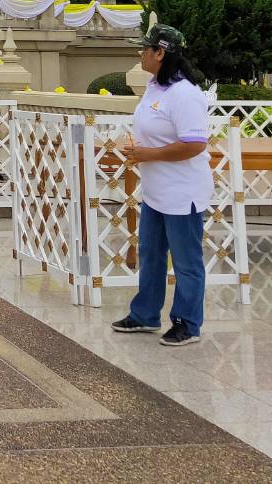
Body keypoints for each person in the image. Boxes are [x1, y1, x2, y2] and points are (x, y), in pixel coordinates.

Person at [110, 25, 213, 347]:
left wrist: (148, 154)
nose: (140, 54)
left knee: (186, 261)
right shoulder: (156, 87)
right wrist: (138, 150)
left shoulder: (185, 94)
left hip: (182, 192)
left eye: (145, 49)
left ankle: (187, 323)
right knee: (151, 254)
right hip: (156, 191)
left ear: (160, 53)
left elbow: (194, 144)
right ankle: (145, 314)